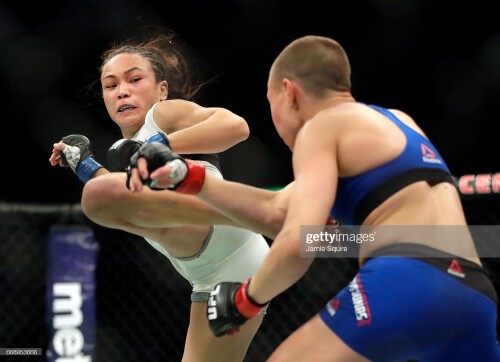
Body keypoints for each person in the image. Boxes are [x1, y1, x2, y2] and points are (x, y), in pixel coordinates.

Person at [128, 35, 500, 361]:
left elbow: (293, 243)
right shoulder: (397, 121)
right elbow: (280, 211)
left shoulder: (320, 127)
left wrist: (245, 300)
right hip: (474, 294)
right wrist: (190, 177)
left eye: (272, 107)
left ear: (289, 93)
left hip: (407, 277)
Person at [49, 30, 270, 362]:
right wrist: (83, 163)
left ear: (162, 89)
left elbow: (236, 126)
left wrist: (162, 146)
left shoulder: (162, 117)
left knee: (99, 194)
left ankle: (268, 210)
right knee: (104, 194)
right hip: (211, 276)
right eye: (111, 85)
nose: (122, 90)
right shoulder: (126, 159)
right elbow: (121, 196)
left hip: (222, 228)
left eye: (134, 79)